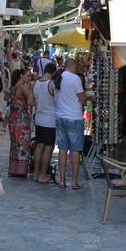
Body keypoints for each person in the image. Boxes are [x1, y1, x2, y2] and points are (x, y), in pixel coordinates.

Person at [54, 58, 95, 190]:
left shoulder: (59, 77)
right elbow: (82, 98)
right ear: (72, 65)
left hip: (61, 117)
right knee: (75, 149)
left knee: (62, 149)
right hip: (73, 117)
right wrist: (90, 97)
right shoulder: (75, 78)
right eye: (76, 65)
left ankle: (61, 180)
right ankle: (74, 181)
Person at [2, 68, 35, 178]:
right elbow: (30, 101)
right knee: (23, 144)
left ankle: (13, 168)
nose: (29, 78)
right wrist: (31, 88)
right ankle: (21, 170)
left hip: (14, 119)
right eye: (28, 76)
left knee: (15, 144)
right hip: (21, 118)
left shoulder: (13, 87)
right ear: (21, 76)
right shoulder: (22, 87)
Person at [32, 62, 57, 183]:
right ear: (53, 72)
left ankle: (36, 174)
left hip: (39, 118)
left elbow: (31, 101)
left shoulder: (36, 83)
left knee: (39, 146)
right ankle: (43, 174)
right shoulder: (51, 84)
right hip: (50, 120)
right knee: (48, 147)